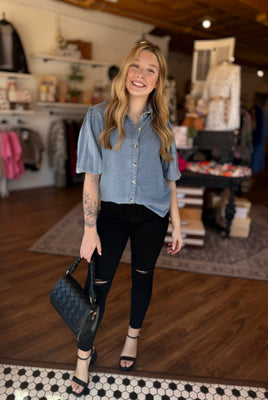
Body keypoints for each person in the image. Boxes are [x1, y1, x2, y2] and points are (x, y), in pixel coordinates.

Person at [72, 40, 183, 396]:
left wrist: (178, 223)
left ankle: (132, 338)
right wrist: (90, 229)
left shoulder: (164, 125)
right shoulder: (98, 116)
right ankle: (83, 357)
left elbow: (171, 179)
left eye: (151, 70)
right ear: (125, 71)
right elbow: (91, 177)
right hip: (111, 217)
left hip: (153, 215)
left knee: (142, 277)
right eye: (136, 66)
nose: (141, 74)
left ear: (157, 81)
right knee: (97, 288)